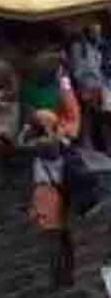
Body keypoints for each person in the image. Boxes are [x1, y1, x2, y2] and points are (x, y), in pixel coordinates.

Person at [21, 110, 75, 289]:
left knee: (52, 236)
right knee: (64, 234)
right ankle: (67, 273)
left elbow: (21, 144)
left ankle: (57, 276)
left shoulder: (46, 144)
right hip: (63, 189)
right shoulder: (63, 139)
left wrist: (28, 129)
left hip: (49, 193)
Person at [69, 23, 110, 150]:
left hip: (103, 85)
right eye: (94, 29)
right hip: (87, 85)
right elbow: (77, 71)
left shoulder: (102, 45)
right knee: (88, 113)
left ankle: (106, 145)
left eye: (98, 29)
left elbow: (103, 66)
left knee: (105, 116)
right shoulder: (78, 46)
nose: (97, 31)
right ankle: (87, 143)